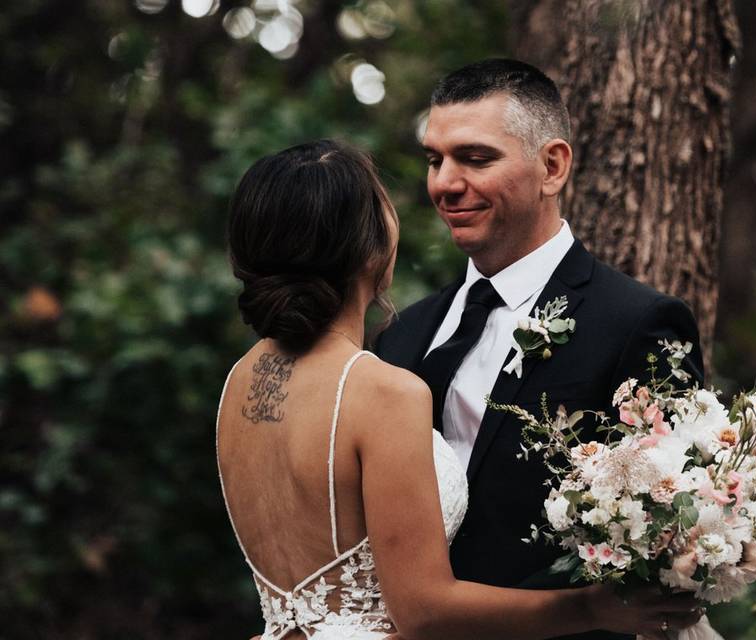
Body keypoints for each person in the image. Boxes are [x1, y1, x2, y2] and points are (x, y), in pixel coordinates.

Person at [218, 140, 702, 640]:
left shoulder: (239, 384)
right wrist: (592, 610)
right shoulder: (384, 391)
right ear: (369, 247)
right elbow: (424, 612)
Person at [374, 59, 706, 640]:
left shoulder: (637, 323)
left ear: (552, 166)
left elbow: (676, 533)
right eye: (435, 159)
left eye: (475, 158)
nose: (445, 184)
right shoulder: (403, 335)